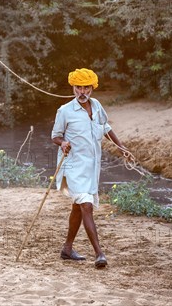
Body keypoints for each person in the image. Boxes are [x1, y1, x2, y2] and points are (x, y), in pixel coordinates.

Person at [51, 68, 127, 269]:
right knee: (86, 205)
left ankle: (67, 249)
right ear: (73, 88)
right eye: (78, 87)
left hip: (92, 166)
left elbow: (106, 128)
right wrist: (63, 143)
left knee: (78, 207)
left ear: (92, 88)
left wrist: (121, 147)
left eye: (86, 87)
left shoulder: (97, 106)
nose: (82, 91)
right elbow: (55, 136)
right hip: (74, 166)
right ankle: (99, 254)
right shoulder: (65, 111)